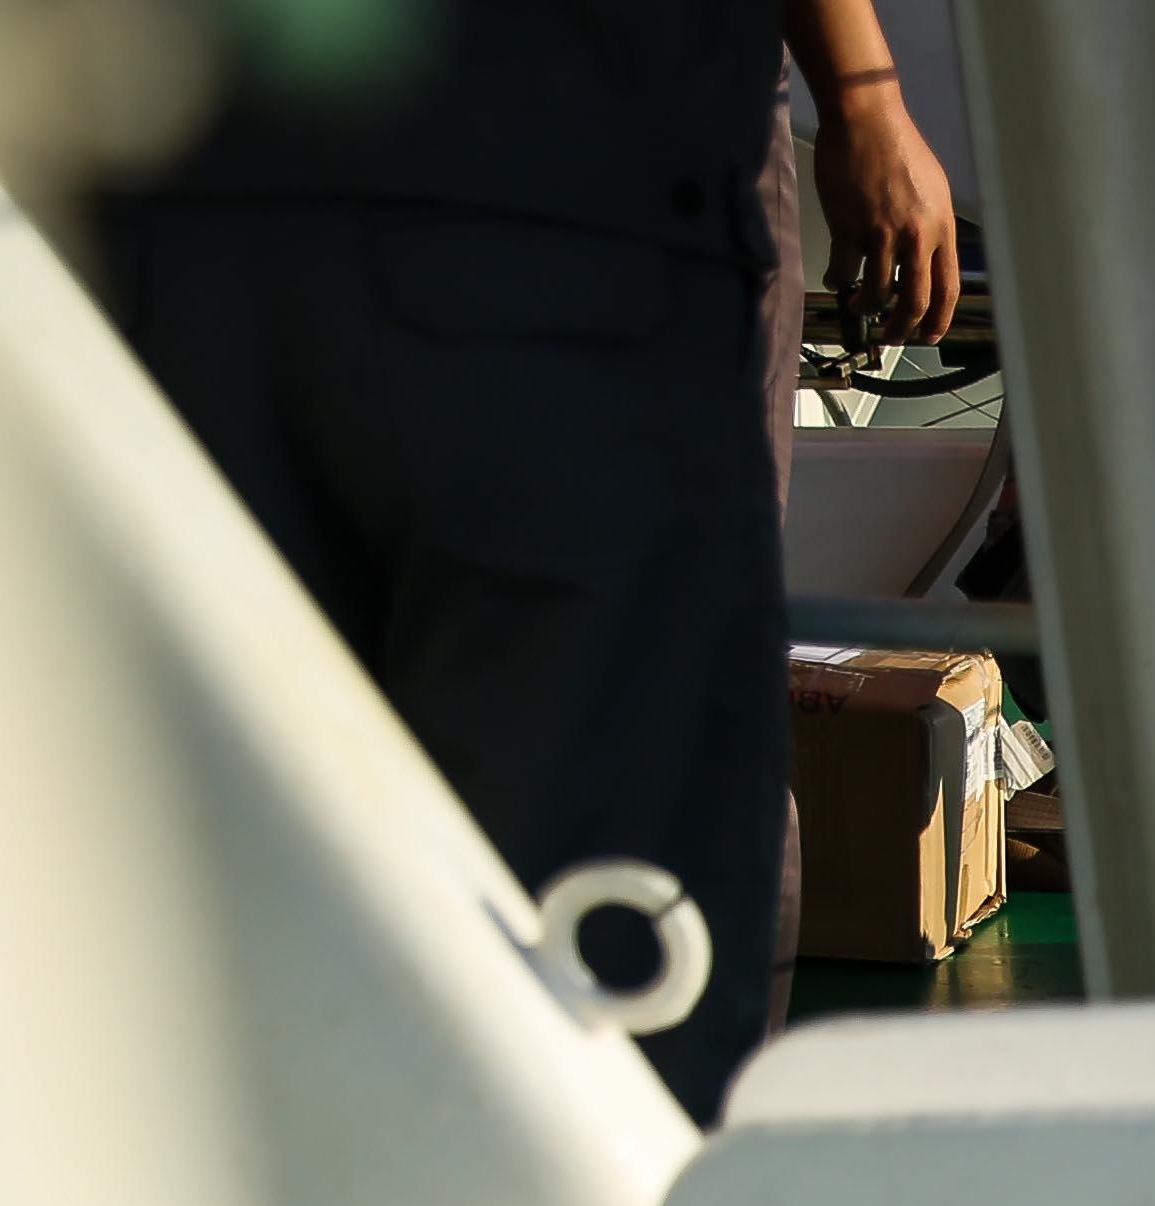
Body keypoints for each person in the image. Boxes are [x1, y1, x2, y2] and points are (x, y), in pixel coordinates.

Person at [102, 0, 926, 1118]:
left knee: (225, 838)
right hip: (569, 213)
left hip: (187, 203)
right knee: (618, 871)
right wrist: (865, 96)